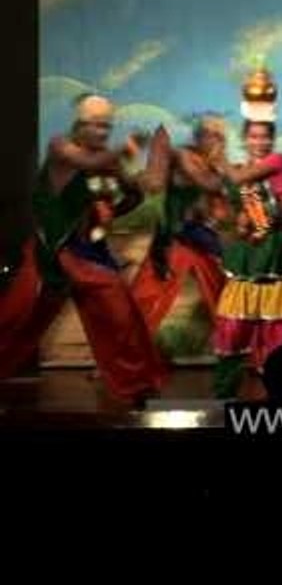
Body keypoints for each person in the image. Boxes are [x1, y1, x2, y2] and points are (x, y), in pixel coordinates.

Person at [0, 94, 168, 403]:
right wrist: (126, 149)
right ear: (81, 123)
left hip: (88, 254)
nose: (102, 132)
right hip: (52, 251)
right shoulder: (61, 147)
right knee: (18, 319)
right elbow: (88, 162)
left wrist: (123, 196)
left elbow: (129, 196)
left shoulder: (105, 158)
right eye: (96, 125)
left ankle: (135, 388)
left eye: (107, 127)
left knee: (119, 313)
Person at [210, 67, 282, 397]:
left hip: (280, 251)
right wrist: (239, 222)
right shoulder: (242, 168)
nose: (260, 141)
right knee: (237, 326)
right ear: (246, 137)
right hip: (251, 254)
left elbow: (246, 186)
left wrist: (216, 158)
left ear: (272, 139)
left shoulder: (275, 161)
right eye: (254, 135)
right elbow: (232, 205)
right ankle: (223, 402)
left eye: (266, 136)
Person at [130, 115, 231, 336]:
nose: (213, 140)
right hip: (175, 236)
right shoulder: (185, 156)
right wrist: (225, 170)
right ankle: (122, 358)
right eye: (208, 134)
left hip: (201, 236)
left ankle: (241, 353)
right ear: (198, 136)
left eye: (218, 136)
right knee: (146, 296)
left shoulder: (213, 163)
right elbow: (206, 183)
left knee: (228, 290)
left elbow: (221, 207)